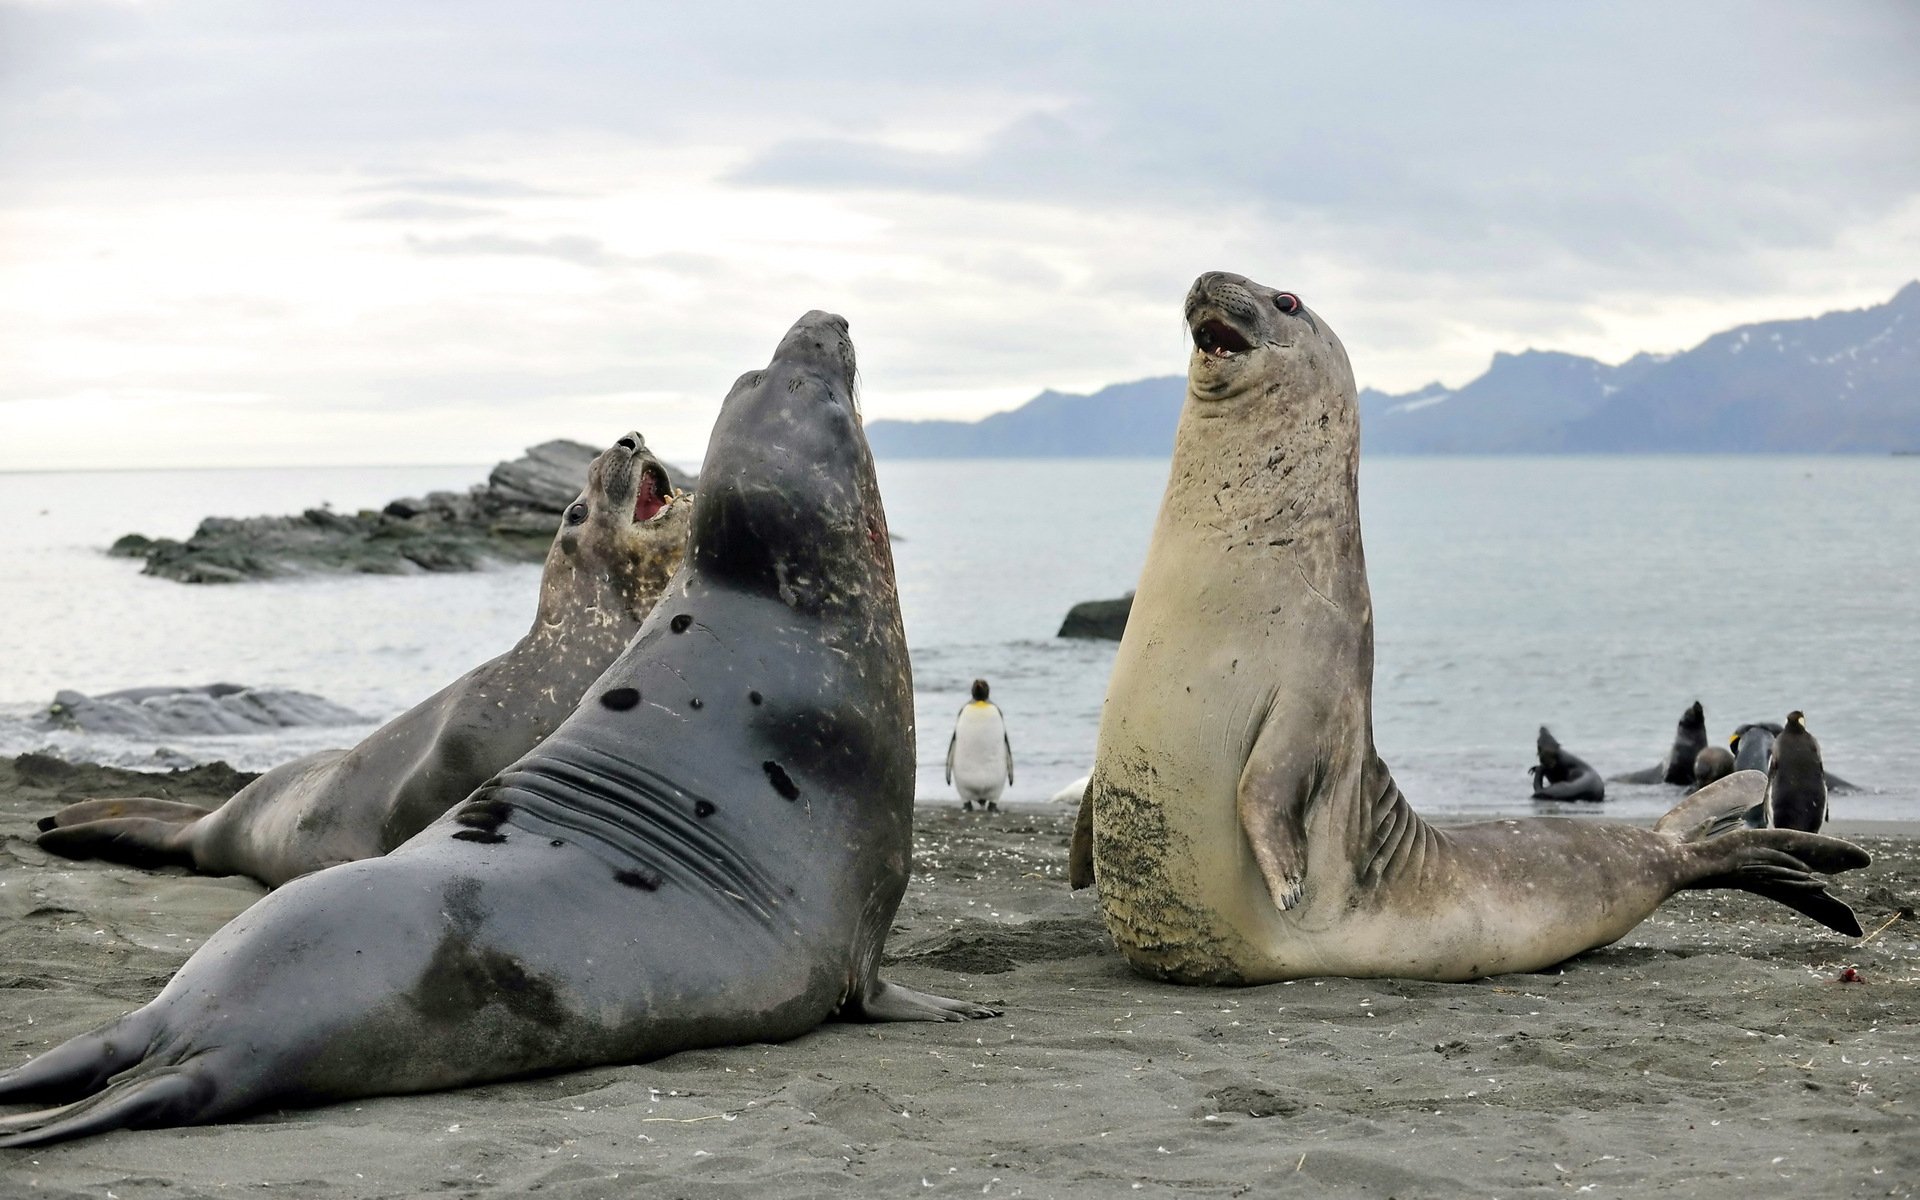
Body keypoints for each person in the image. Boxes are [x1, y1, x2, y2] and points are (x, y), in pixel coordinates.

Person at [946, 678, 1014, 813]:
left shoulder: (967, 712)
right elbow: (1006, 745)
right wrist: (1011, 773)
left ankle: (989, 802)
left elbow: (953, 743)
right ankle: (969, 802)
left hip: (987, 781)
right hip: (972, 781)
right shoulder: (993, 712)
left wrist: (948, 771)